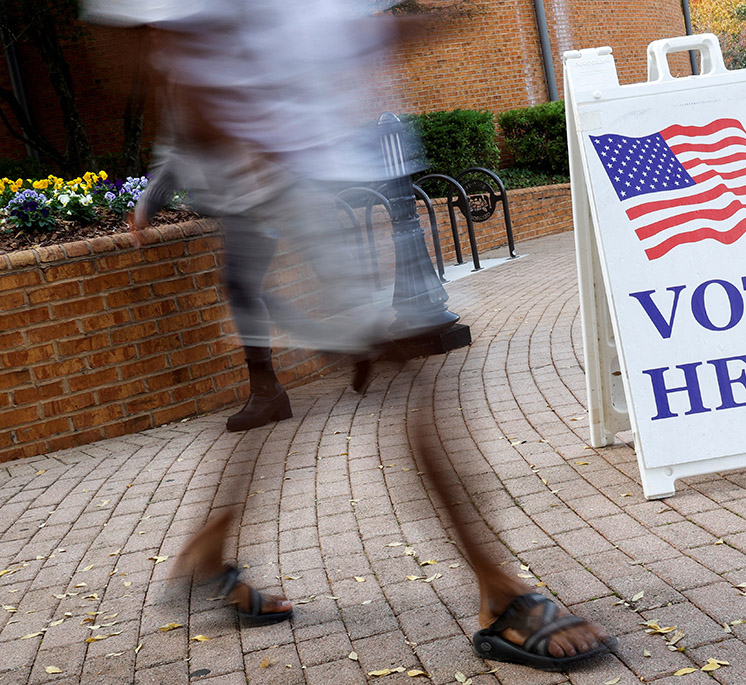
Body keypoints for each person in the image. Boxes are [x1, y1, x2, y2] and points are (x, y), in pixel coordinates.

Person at [82, 0, 614, 671]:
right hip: (294, 182)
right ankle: (499, 595)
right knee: (415, 389)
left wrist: (397, 30)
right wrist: (258, 164)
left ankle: (208, 554)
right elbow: (168, 51)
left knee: (315, 403)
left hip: (344, 173)